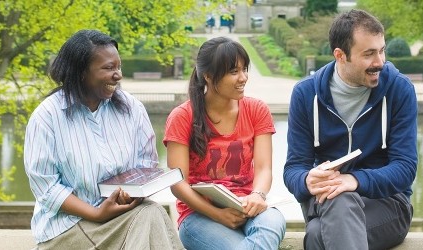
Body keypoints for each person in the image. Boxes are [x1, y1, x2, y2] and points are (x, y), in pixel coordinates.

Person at [24, 29, 183, 249]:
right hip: (68, 227)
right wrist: (97, 213)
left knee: (151, 213)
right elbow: (47, 188)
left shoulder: (132, 109)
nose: (118, 75)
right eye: (108, 68)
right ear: (81, 72)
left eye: (118, 67)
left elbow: (146, 165)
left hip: (123, 216)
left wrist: (131, 193)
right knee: (151, 216)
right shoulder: (47, 117)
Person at [283, 9, 417, 250]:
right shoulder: (305, 94)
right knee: (339, 199)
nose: (380, 62)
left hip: (387, 204)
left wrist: (354, 179)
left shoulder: (399, 89)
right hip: (324, 201)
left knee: (316, 236)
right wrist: (307, 180)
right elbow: (293, 169)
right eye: (369, 54)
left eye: (382, 50)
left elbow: (405, 168)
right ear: (340, 55)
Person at [163, 36, 286, 250]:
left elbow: (264, 168)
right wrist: (217, 214)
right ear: (209, 76)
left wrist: (257, 195)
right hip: (199, 216)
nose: (243, 78)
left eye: (244, 69)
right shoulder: (182, 116)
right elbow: (177, 183)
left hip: (248, 206)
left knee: (274, 221)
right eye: (233, 71)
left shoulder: (257, 110)